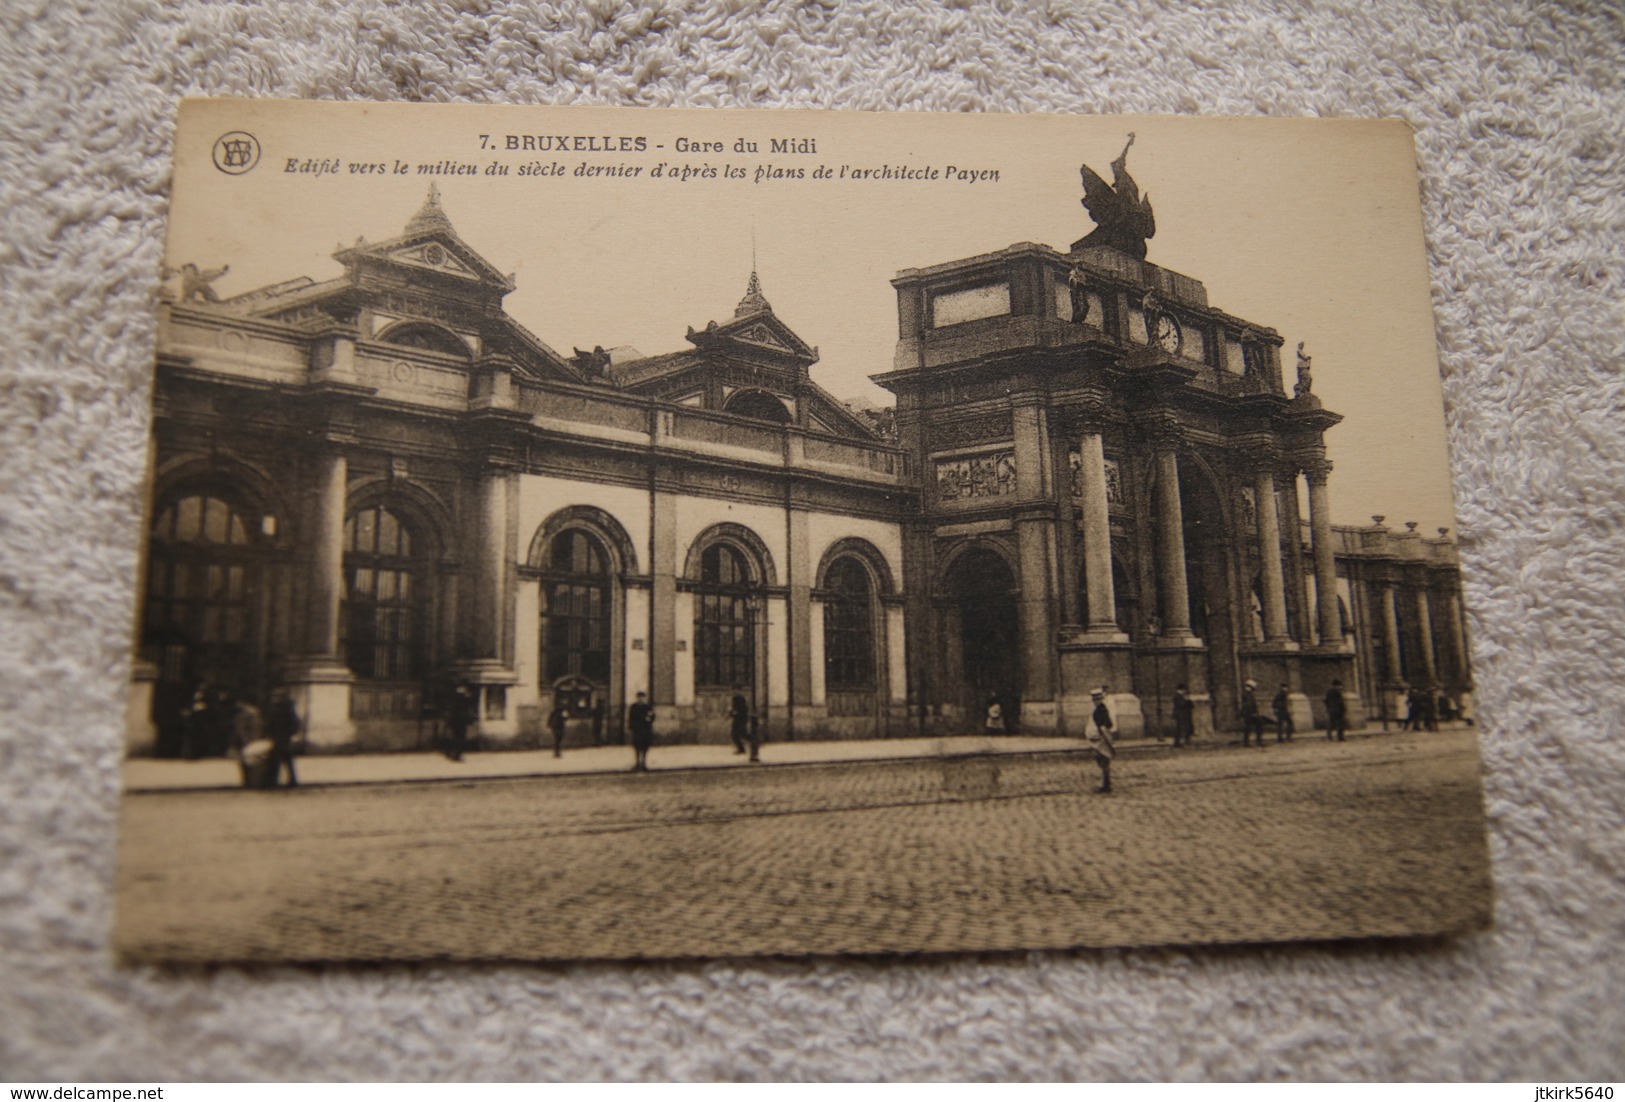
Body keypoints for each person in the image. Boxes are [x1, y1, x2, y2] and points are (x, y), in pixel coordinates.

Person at [264, 687, 301, 787]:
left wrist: (289, 734)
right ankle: (284, 780)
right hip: (278, 737)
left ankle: (273, 781)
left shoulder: (285, 708)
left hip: (282, 737)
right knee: (282, 760)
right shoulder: (279, 707)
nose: (274, 698)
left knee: (278, 759)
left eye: (277, 696)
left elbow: (294, 723)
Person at [1088, 689, 1115, 793]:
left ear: (1101, 699)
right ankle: (1106, 784)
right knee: (1103, 761)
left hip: (1101, 738)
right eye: (1094, 699)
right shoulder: (1100, 709)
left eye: (1098, 699)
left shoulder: (1101, 710)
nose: (1096, 701)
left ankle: (1106, 785)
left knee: (1103, 761)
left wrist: (1107, 739)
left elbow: (1105, 725)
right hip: (1101, 737)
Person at [445, 684, 477, 762]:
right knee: (460, 738)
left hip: (454, 721)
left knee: (455, 738)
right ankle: (457, 755)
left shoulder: (453, 696)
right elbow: (465, 708)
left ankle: (454, 755)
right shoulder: (461, 697)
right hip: (460, 721)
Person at [628, 691, 654, 772]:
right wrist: (632, 727)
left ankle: (644, 763)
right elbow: (631, 718)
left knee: (645, 747)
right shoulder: (634, 707)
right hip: (637, 730)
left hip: (646, 730)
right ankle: (637, 763)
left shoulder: (648, 707)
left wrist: (649, 720)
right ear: (637, 698)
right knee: (637, 747)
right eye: (639, 697)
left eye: (642, 697)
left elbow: (652, 716)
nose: (641, 699)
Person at [1240, 679, 1266, 748]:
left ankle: (1253, 741)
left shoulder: (1248, 694)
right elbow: (1248, 705)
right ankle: (1255, 741)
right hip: (1249, 714)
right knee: (1251, 727)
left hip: (1250, 713)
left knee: (1250, 727)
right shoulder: (1246, 694)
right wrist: (1253, 713)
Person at [1171, 683, 1195, 748]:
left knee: (1181, 729)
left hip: (1182, 714)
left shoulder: (1179, 696)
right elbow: (1181, 705)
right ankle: (1177, 743)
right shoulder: (1177, 696)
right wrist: (1187, 701)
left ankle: (1178, 742)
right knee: (1179, 729)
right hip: (1180, 715)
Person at [729, 691, 751, 755]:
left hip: (740, 720)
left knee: (739, 734)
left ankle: (743, 748)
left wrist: (734, 713)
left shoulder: (739, 699)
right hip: (738, 720)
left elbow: (741, 711)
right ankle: (742, 748)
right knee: (739, 734)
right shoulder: (736, 699)